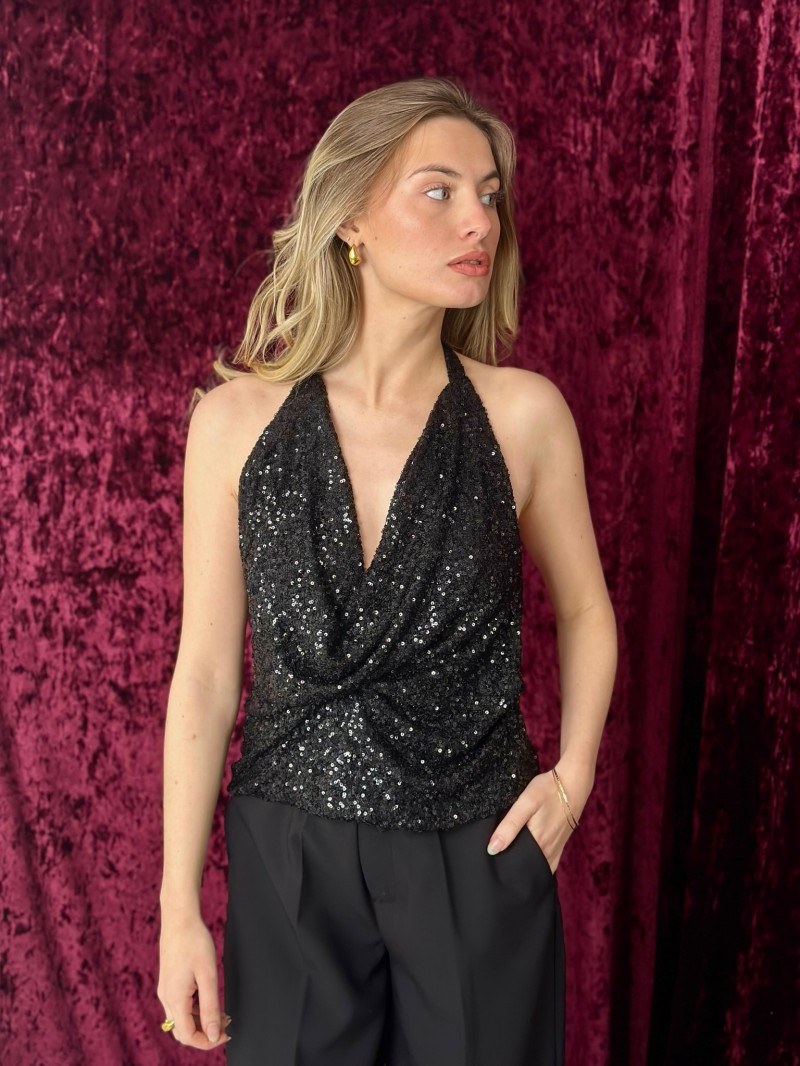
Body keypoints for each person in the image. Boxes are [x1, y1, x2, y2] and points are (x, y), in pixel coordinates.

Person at [157, 76, 617, 1064]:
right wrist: (177, 908)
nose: (478, 222)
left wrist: (571, 779)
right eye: (438, 190)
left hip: (477, 845)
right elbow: (206, 671)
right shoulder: (232, 424)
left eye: (488, 195)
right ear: (351, 219)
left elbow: (585, 609)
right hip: (288, 854)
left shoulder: (524, 415)